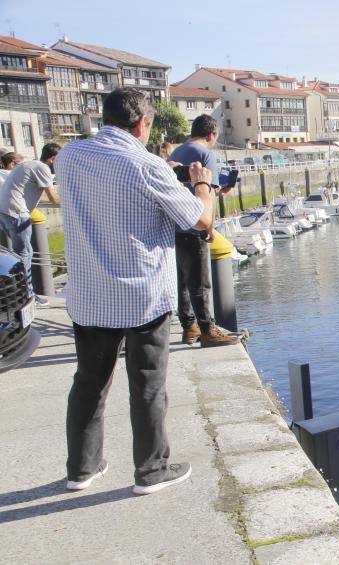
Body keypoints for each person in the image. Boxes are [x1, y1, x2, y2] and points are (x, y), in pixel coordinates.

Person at [55, 88, 216, 495]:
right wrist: (202, 186)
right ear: (143, 123)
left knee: (89, 383)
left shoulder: (70, 157)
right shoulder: (146, 166)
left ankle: (81, 470)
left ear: (104, 117)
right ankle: (150, 470)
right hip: (141, 296)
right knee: (146, 384)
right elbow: (200, 222)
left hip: (89, 294)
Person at [169, 115, 238, 347]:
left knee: (182, 281)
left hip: (174, 225)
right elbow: (205, 193)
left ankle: (189, 327)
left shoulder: (175, 153)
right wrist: (210, 227)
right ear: (211, 135)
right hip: (194, 223)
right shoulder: (206, 155)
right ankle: (208, 330)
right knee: (200, 283)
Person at [0, 144, 60, 305]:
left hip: (5, 211)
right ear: (52, 158)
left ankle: (18, 293)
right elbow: (54, 198)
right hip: (17, 212)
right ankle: (27, 296)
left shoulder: (31, 164)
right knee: (24, 254)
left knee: (19, 254)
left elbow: (43, 197)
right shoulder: (42, 168)